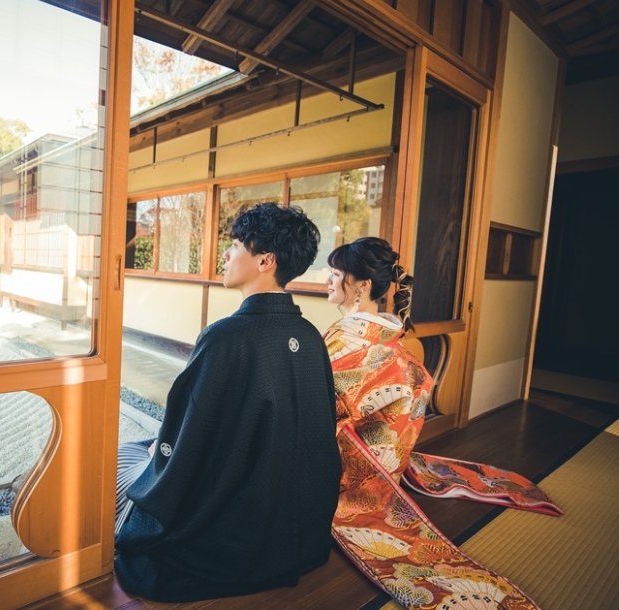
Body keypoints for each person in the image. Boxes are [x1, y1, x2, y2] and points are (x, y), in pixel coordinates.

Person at [114, 203, 342, 603]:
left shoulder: (227, 336)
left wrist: (162, 452)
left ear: (265, 261)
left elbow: (189, 429)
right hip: (297, 526)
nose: (225, 254)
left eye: (236, 245)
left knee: (127, 457)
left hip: (238, 525)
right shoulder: (309, 335)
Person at [323, 237, 557, 610]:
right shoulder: (386, 331)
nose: (328, 280)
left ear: (362, 286)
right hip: (387, 458)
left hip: (358, 469)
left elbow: (322, 407)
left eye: (336, 274)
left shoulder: (355, 339)